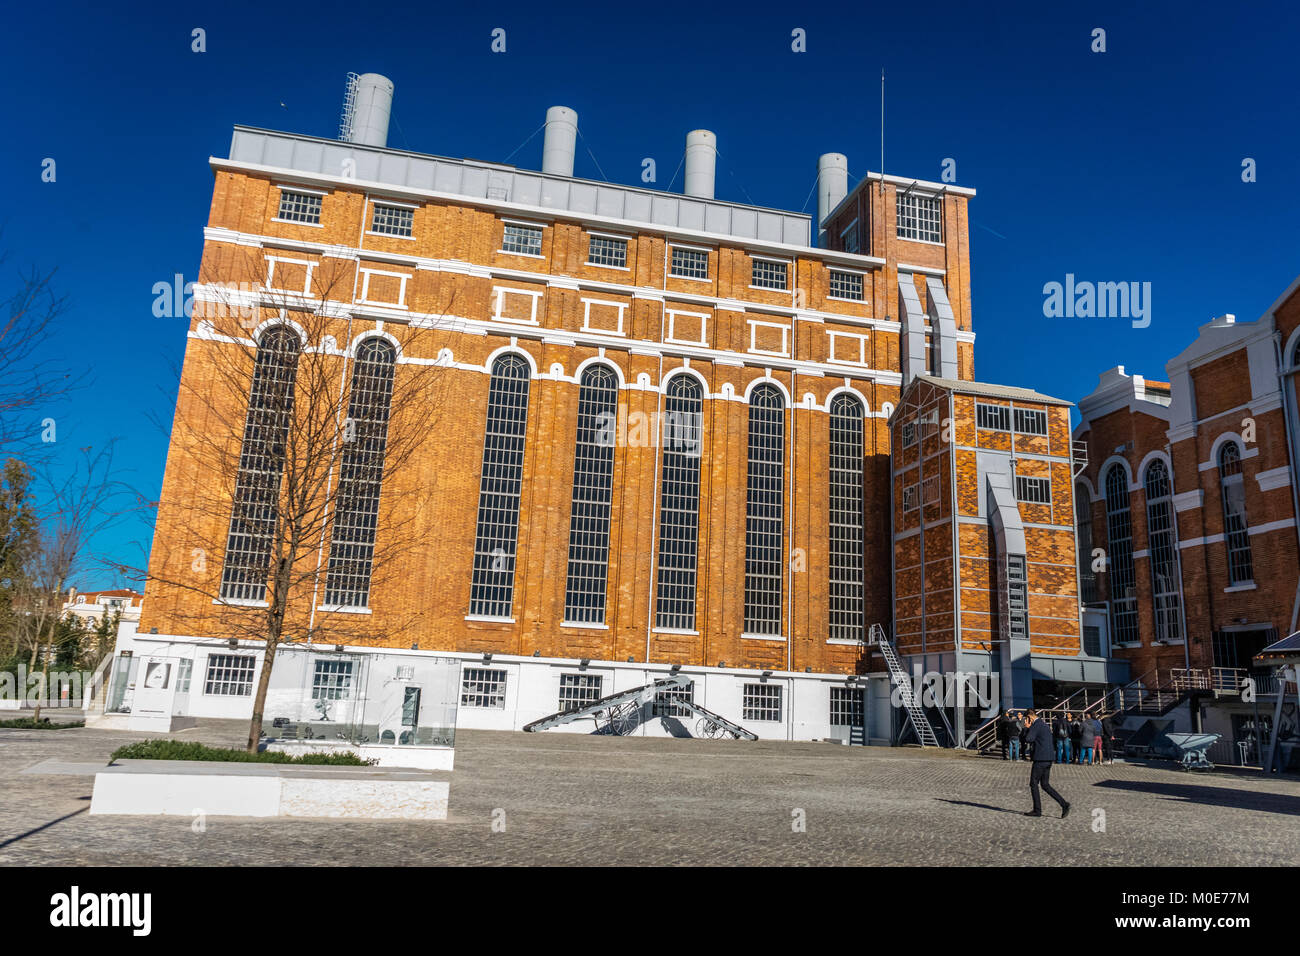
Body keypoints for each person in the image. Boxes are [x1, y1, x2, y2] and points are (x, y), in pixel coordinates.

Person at [1022, 709, 1071, 818]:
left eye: (1026, 719)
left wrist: (1026, 728)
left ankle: (1037, 810)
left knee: (1033, 783)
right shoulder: (1044, 724)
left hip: (1040, 758)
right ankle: (1064, 804)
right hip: (1048, 758)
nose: (1026, 720)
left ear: (1030, 717)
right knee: (1045, 784)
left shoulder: (1036, 725)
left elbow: (1029, 739)